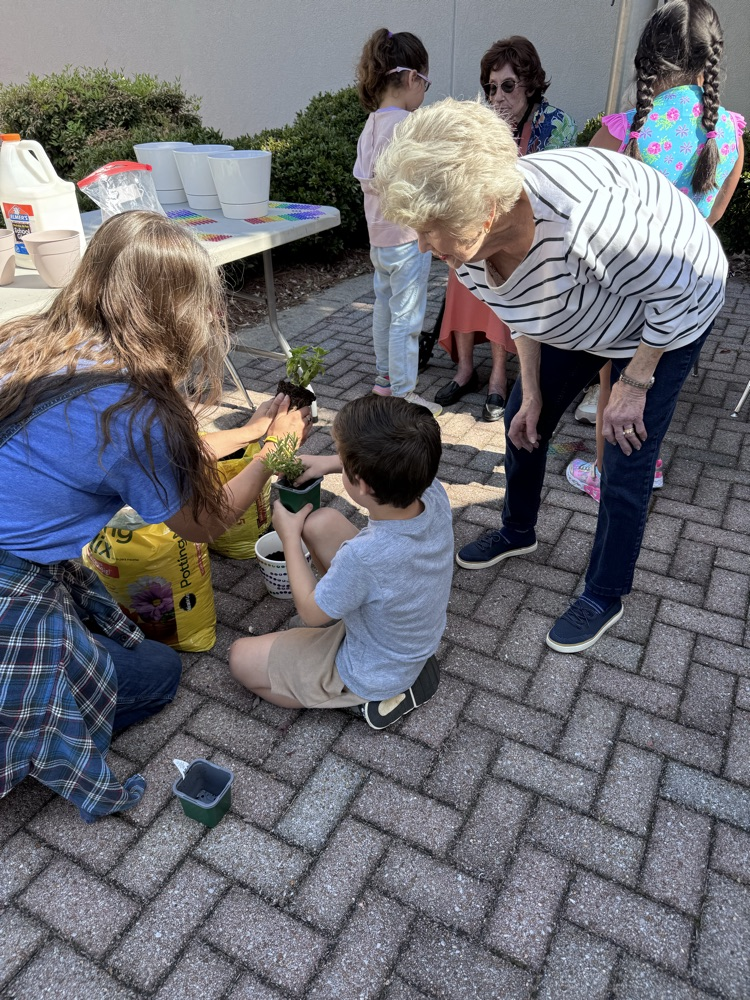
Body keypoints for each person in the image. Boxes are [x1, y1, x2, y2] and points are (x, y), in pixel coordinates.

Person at [373, 97, 727, 654]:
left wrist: (633, 383)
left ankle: (605, 592)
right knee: (521, 418)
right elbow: (524, 307)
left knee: (625, 451)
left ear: (486, 210)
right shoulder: (467, 246)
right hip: (585, 312)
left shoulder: (595, 217)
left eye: (430, 230)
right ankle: (519, 531)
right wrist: (532, 389)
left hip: (667, 313)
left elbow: (697, 282)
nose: (420, 244)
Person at [0, 211, 310, 821]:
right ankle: (30, 733)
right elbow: (206, 521)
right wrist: (275, 453)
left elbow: (152, 458)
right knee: (158, 673)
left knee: (106, 650)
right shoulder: (134, 408)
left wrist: (248, 430)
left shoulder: (31, 339)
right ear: (177, 309)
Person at [566, 0, 745, 502]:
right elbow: (712, 219)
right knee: (655, 390)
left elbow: (580, 210)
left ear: (647, 55)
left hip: (623, 290)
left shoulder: (624, 130)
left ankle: (607, 475)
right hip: (689, 293)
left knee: (612, 385)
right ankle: (648, 465)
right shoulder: (729, 130)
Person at [229, 394, 453, 729]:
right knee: (321, 523)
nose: (340, 464)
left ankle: (360, 699)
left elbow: (310, 613)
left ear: (361, 484)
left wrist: (289, 537)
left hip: (370, 669)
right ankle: (396, 672)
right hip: (405, 638)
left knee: (239, 659)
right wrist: (328, 463)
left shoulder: (365, 556)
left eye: (344, 464)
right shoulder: (431, 492)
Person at [435, 36, 577, 422]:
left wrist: (506, 139)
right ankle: (466, 369)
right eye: (491, 87)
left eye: (508, 85)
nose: (498, 95)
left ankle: (499, 377)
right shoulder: (486, 122)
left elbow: (548, 189)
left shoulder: (556, 124)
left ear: (530, 83)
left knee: (501, 269)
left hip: (533, 235)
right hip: (486, 225)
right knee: (460, 266)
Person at [353, 28, 440, 416]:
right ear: (410, 78)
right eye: (425, 81)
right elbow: (420, 182)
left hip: (379, 237)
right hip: (407, 236)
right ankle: (404, 395)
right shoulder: (408, 127)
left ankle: (385, 380)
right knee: (408, 313)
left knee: (385, 308)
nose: (424, 93)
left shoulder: (371, 125)